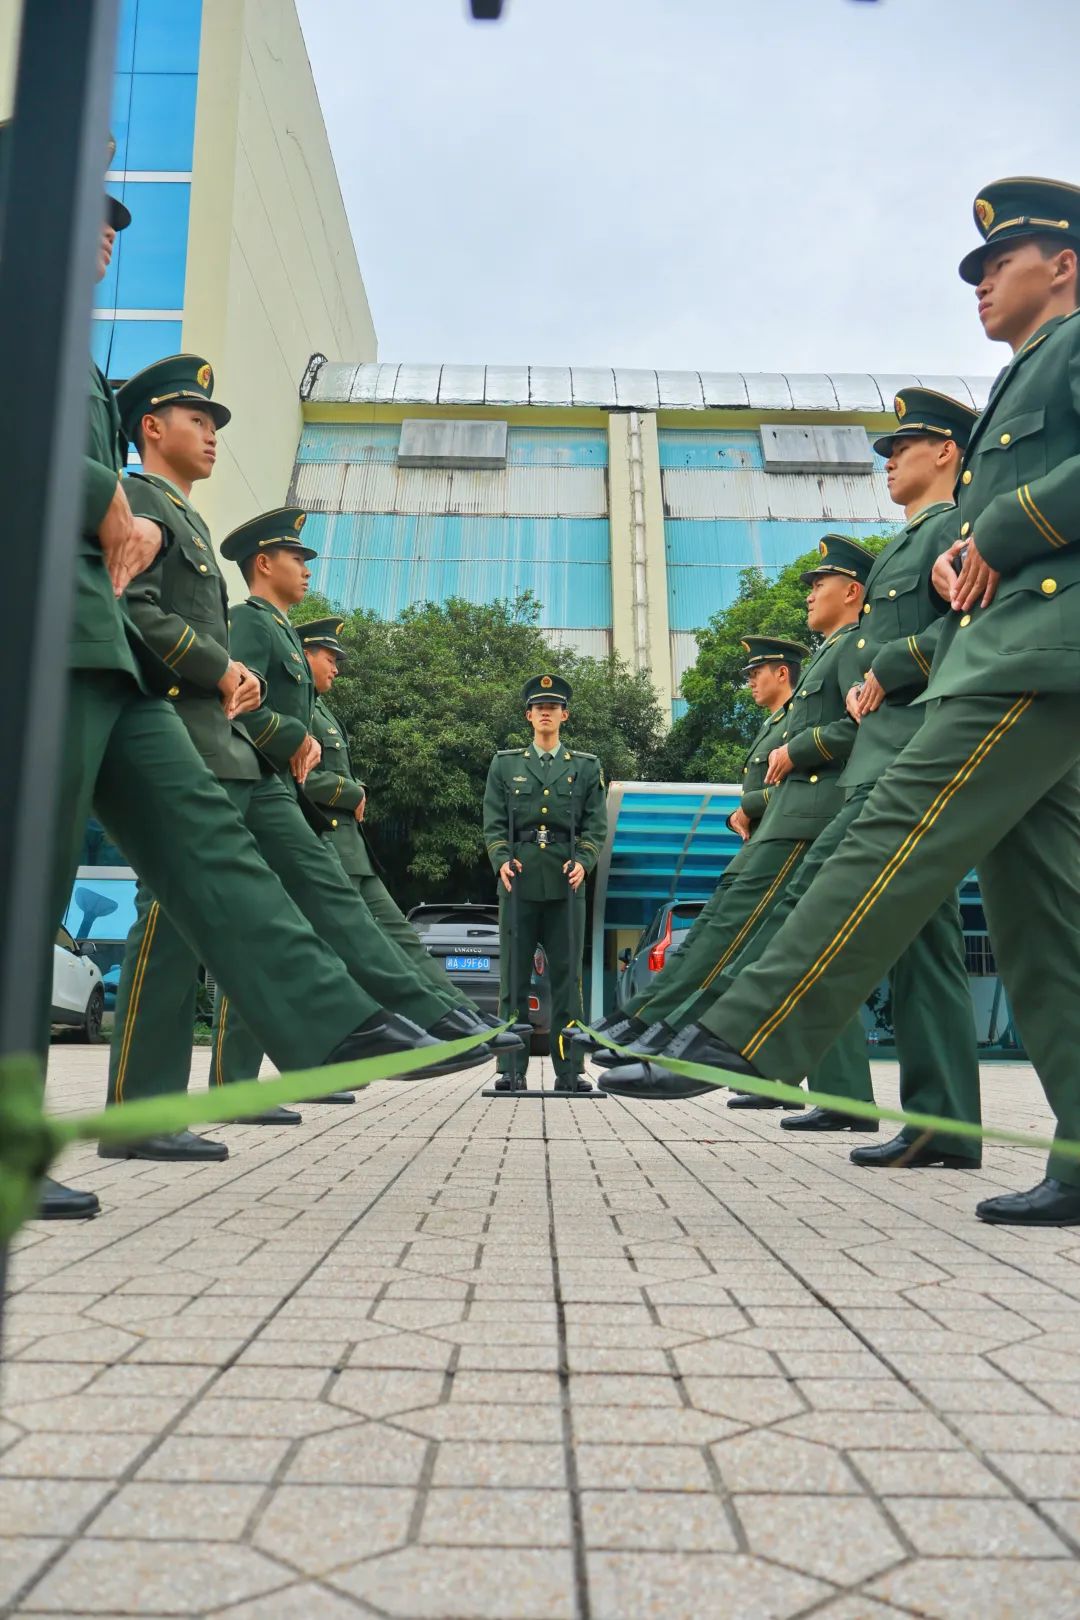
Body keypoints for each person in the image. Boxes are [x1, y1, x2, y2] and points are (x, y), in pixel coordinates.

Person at [604, 177, 1080, 1227]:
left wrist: (993, 537)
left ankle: (744, 1032)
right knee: (1045, 929)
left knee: (895, 832)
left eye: (1001, 262)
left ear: (1066, 265)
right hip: (1017, 653)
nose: (983, 282)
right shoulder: (1022, 377)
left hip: (1039, 655)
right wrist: (969, 552)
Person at [39, 173, 457, 1216]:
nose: (105, 234)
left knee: (208, 854)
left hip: (109, 659)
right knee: (29, 906)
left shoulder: (74, 349)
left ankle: (335, 1023)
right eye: (85, 208)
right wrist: (107, 505)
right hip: (50, 642)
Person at [606, 394, 986, 1166]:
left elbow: (972, 621)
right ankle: (942, 1123)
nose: (889, 459)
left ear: (946, 453)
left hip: (912, 756)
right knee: (923, 951)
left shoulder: (955, 529)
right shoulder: (909, 542)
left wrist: (887, 667)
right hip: (891, 757)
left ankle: (725, 1043)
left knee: (825, 908)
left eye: (904, 446)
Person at [210, 516, 497, 1104]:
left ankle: (424, 1021)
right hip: (242, 792)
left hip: (277, 801)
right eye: (297, 557)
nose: (307, 569)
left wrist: (296, 741)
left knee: (302, 931)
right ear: (264, 563)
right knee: (261, 941)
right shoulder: (249, 622)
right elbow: (233, 703)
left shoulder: (282, 633)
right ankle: (240, 1083)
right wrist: (294, 739)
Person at [589, 537, 876, 1105]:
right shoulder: (832, 655)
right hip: (792, 821)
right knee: (794, 956)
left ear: (852, 590)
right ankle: (798, 1081)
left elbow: (866, 729)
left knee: (746, 939)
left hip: (811, 820)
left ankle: (668, 1033)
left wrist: (796, 756)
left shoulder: (853, 649)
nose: (810, 595)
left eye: (819, 584)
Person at [299, 615, 519, 1048]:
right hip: (321, 848)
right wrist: (352, 791)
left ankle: (462, 1017)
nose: (337, 668)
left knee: (401, 940)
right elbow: (296, 778)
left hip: (349, 854)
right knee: (339, 957)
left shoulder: (319, 709)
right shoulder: (297, 708)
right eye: (330, 658)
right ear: (304, 655)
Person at [483, 675, 607, 1092]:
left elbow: (595, 825)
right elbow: (494, 823)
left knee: (567, 980)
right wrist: (501, 858)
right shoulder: (505, 764)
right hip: (517, 880)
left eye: (553, 707)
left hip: (565, 880)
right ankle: (510, 1070)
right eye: (539, 707)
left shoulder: (586, 767)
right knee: (513, 978)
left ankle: (570, 1072)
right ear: (528, 716)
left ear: (565, 715)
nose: (546, 712)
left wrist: (584, 861)